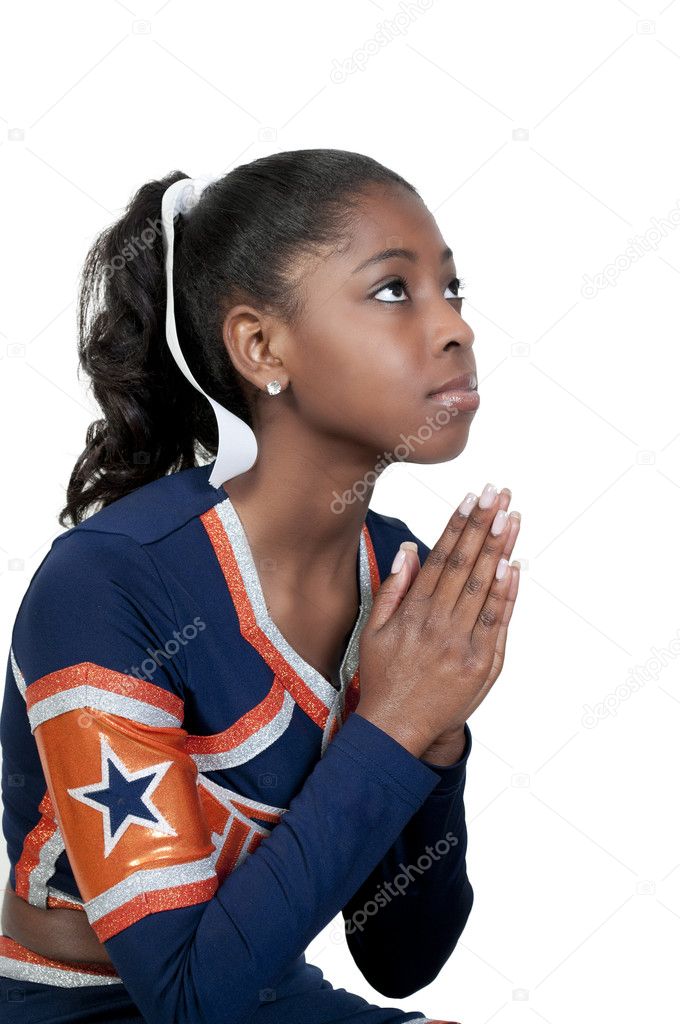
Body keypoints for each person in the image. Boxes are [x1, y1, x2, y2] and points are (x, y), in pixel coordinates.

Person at [0, 148, 521, 1023]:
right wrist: (391, 724)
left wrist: (434, 741)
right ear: (260, 346)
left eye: (453, 291)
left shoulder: (400, 577)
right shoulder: (111, 582)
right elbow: (185, 1001)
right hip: (76, 1008)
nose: (454, 328)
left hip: (270, 997)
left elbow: (399, 960)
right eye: (394, 291)